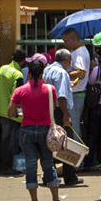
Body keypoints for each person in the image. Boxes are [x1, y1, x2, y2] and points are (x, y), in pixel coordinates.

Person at [7, 60, 61, 201]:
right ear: (42, 73)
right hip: (46, 131)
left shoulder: (20, 91)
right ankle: (56, 200)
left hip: (27, 130)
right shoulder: (51, 89)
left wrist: (22, 113)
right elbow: (53, 107)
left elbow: (10, 113)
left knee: (31, 166)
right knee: (48, 164)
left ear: (29, 73)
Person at [43, 49, 81, 186]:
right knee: (66, 143)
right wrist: (66, 114)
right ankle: (70, 177)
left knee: (51, 142)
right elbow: (61, 96)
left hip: (49, 110)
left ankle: (48, 175)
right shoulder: (62, 73)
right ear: (65, 60)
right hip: (60, 111)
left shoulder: (48, 69)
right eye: (69, 61)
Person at [0, 48, 26, 173]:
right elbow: (18, 96)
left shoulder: (2, 68)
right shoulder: (18, 75)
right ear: (23, 61)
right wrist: (20, 115)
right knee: (8, 141)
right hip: (8, 112)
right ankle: (6, 167)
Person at [62, 29, 90, 148]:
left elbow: (81, 72)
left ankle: (77, 160)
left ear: (73, 39)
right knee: (73, 126)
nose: (65, 44)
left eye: (66, 41)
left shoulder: (79, 52)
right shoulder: (80, 51)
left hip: (76, 93)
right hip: (76, 93)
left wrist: (63, 74)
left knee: (74, 127)